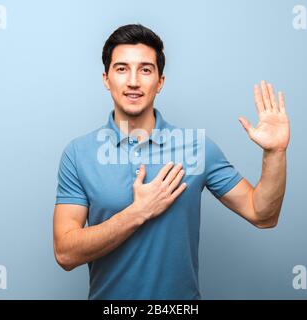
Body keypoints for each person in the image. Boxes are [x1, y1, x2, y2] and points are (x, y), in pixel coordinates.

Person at [53, 24, 290, 300]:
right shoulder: (78, 153)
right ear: (106, 79)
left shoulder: (197, 147)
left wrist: (275, 153)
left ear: (160, 81)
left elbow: (262, 215)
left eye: (145, 69)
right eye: (121, 69)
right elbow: (65, 253)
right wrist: (138, 212)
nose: (133, 81)